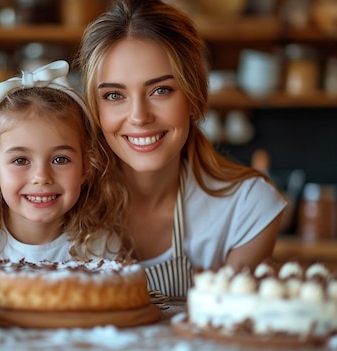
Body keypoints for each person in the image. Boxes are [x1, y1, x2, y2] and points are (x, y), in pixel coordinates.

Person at [74, 0, 287, 297]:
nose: (139, 116)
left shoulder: (247, 208)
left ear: (193, 94)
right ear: (94, 108)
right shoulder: (66, 200)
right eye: (114, 95)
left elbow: (229, 331)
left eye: (160, 90)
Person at [0, 60, 131, 287]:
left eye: (60, 159)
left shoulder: (100, 247)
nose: (41, 176)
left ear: (86, 168)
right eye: (20, 160)